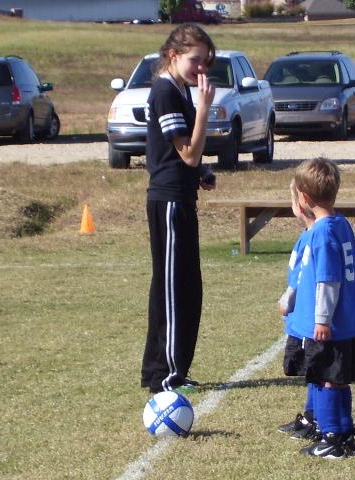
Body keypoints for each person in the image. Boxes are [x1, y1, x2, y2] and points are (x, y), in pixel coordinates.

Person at [141, 24, 217, 395]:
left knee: (186, 287)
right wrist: (204, 110)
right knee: (173, 290)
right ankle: (165, 375)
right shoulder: (165, 92)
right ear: (174, 55)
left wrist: (201, 173)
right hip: (168, 201)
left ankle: (168, 368)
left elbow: (184, 157)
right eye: (195, 60)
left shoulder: (180, 89)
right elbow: (187, 152)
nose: (201, 69)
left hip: (181, 197)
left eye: (206, 63)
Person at [289, 157, 355, 459]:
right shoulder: (341, 223)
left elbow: (328, 279)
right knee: (338, 380)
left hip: (331, 325)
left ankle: (331, 437)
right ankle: (345, 434)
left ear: (304, 198)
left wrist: (321, 319)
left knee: (325, 380)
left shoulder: (322, 234)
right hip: (348, 322)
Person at [276, 180, 319, 441]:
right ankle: (310, 415)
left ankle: (315, 418)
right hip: (302, 318)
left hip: (307, 319)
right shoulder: (309, 234)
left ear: (301, 204)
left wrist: (288, 299)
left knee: (315, 369)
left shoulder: (312, 238)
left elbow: (302, 277)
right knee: (312, 371)